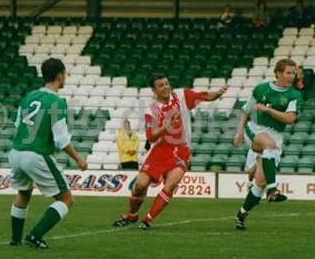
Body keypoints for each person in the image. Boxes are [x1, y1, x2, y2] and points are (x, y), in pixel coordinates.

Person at [113, 74, 226, 229]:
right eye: (161, 85)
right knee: (140, 185)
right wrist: (166, 126)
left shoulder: (181, 96)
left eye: (167, 83)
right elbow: (151, 137)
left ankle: (147, 220)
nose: (166, 87)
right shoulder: (150, 108)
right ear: (154, 90)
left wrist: (217, 94)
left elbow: (204, 95)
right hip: (159, 150)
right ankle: (132, 215)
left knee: (170, 184)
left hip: (181, 149)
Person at [8, 58, 87, 249]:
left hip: (16, 152)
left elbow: (17, 125)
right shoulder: (57, 101)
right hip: (35, 154)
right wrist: (78, 158)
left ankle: (15, 240)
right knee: (66, 199)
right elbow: (61, 140)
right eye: (65, 74)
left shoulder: (28, 97)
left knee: (24, 193)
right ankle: (35, 236)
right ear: (60, 76)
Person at [234, 59, 302, 230]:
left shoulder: (294, 95)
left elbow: (290, 118)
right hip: (255, 129)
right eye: (288, 72)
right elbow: (246, 110)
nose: (291, 76)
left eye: (293, 73)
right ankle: (273, 191)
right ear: (278, 73)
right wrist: (239, 132)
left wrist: (268, 109)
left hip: (276, 135)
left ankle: (241, 214)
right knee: (269, 145)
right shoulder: (261, 88)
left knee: (259, 184)